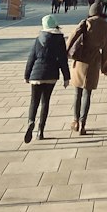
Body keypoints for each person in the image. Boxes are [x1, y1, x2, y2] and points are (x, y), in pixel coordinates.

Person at [67, 1, 107, 136]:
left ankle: (75, 121)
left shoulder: (86, 22)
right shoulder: (105, 26)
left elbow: (71, 38)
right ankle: (83, 123)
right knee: (88, 93)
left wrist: (66, 53)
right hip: (94, 60)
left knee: (77, 93)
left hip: (80, 60)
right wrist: (104, 67)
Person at [23, 13, 69, 143]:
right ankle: (40, 131)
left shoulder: (38, 39)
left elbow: (31, 58)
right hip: (51, 75)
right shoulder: (59, 40)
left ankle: (30, 121)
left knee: (34, 101)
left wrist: (27, 75)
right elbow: (62, 60)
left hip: (36, 75)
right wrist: (66, 77)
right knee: (45, 102)